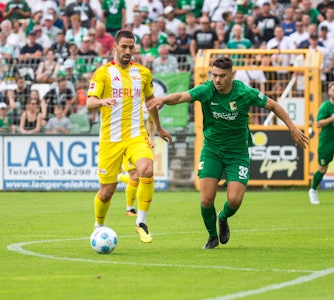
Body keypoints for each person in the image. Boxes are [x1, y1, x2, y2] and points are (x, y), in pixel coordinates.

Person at [146, 57, 308, 249]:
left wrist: (292, 128)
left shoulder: (244, 92)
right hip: (212, 149)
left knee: (234, 200)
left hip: (237, 152)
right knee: (206, 199)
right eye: (214, 75)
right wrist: (161, 99)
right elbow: (182, 97)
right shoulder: (207, 90)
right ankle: (212, 237)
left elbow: (273, 105)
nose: (217, 80)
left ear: (232, 75)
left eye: (222, 76)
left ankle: (223, 218)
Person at [86, 30, 172, 243]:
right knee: (106, 192)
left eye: (131, 47)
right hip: (110, 139)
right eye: (123, 47)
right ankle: (99, 226)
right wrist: (101, 101)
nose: (127, 51)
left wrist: (159, 128)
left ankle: (141, 222)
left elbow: (151, 102)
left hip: (136, 135)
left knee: (147, 169)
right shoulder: (103, 73)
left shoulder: (143, 73)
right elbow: (89, 103)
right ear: (114, 47)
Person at [308, 81, 334, 205]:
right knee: (322, 168)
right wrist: (332, 118)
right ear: (329, 92)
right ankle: (313, 190)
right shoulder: (325, 107)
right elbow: (318, 123)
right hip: (326, 143)